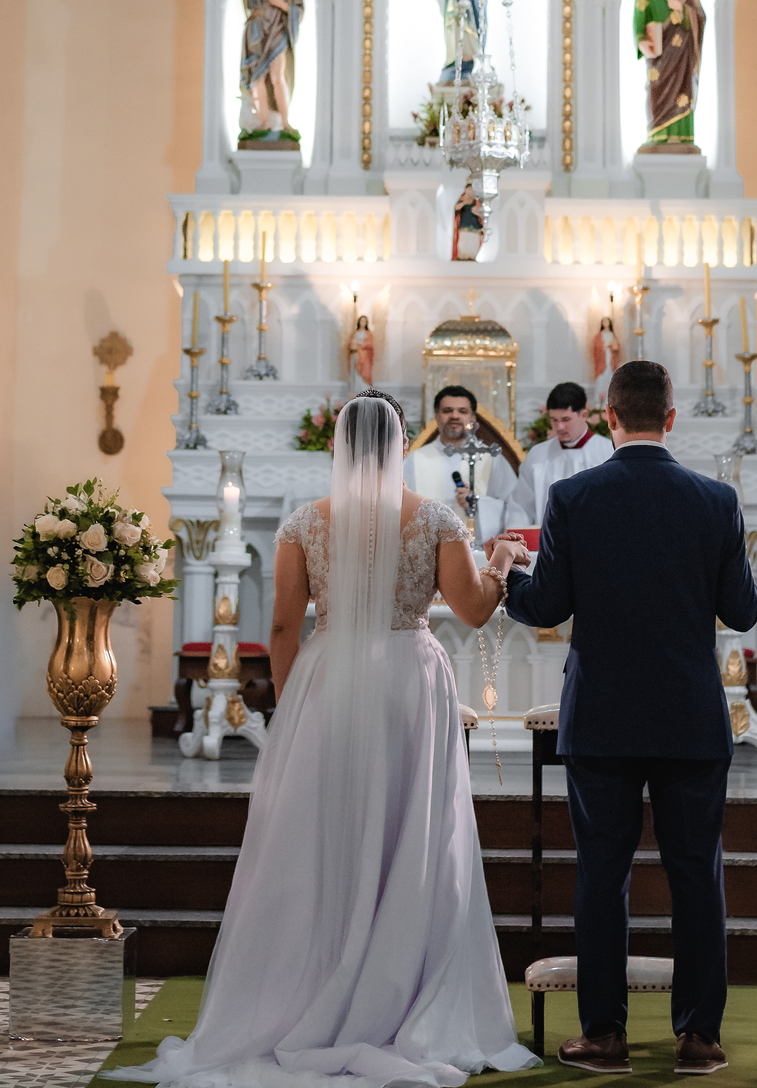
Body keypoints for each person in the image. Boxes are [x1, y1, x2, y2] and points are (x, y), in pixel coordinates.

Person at [106, 392, 537, 1087]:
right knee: (414, 836)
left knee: (323, 835)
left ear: (339, 446)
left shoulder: (306, 522)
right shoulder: (434, 517)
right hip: (409, 681)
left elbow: (281, 628)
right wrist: (503, 562)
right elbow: (474, 610)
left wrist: (291, 704)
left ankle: (312, 987)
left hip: (328, 679)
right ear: (400, 445)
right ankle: (402, 996)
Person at [490, 359, 757, 1078]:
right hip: (689, 718)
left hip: (604, 717)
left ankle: (604, 1036)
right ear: (670, 418)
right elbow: (742, 610)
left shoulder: (575, 495)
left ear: (609, 417)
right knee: (697, 876)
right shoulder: (716, 500)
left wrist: (507, 574)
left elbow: (544, 606)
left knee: (601, 875)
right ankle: (699, 1036)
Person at [403, 384, 517, 542]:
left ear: (473, 418)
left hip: (478, 553)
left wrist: (477, 503)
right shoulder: (414, 460)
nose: (454, 416)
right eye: (447, 410)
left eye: (462, 411)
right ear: (436, 415)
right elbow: (401, 507)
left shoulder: (490, 457)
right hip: (428, 550)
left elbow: (513, 508)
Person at [506, 381, 612, 530]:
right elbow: (521, 507)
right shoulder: (538, 456)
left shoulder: (608, 453)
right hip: (547, 546)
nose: (559, 427)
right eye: (554, 420)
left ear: (584, 414)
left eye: (565, 419)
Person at [633, 0, 705, 148]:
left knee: (683, 91)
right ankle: (656, 135)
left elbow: (700, 16)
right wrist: (641, 42)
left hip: (683, 52)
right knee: (656, 90)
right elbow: (639, 18)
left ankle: (682, 137)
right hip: (659, 54)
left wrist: (682, 11)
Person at [235, 0, 304, 141]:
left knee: (276, 75)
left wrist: (282, 4)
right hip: (257, 33)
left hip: (277, 32)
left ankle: (285, 122)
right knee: (257, 77)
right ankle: (263, 122)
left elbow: (298, 11)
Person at [591, 317, 621, 403]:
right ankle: (598, 400)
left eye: (607, 321)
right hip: (602, 359)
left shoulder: (612, 335)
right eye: (604, 321)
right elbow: (596, 346)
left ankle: (608, 400)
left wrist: (610, 345)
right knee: (601, 378)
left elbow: (616, 347)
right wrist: (604, 345)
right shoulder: (599, 336)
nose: (605, 323)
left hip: (610, 359)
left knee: (610, 378)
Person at [347, 314, 373, 393]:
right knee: (355, 375)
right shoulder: (355, 333)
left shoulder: (368, 334)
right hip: (356, 356)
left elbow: (370, 345)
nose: (363, 323)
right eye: (361, 321)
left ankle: (365, 392)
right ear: (359, 322)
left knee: (363, 375)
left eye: (364, 321)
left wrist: (359, 344)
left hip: (364, 358)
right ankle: (355, 392)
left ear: (366, 323)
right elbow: (351, 345)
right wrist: (358, 345)